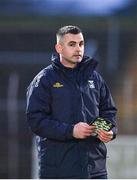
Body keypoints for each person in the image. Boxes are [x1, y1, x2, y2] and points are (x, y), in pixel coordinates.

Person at [26, 25, 117, 179]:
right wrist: (71, 131)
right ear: (59, 48)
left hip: (95, 171)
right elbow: (36, 121)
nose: (78, 49)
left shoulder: (95, 78)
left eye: (81, 44)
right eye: (72, 44)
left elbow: (109, 111)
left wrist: (110, 131)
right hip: (59, 172)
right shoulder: (44, 80)